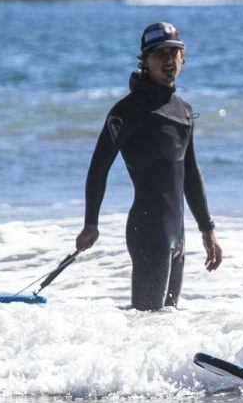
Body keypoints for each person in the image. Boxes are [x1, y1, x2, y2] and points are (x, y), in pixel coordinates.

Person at [77, 22, 224, 310]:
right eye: (160, 55)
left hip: (177, 234)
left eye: (174, 53)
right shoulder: (127, 111)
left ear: (183, 57)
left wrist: (207, 230)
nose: (169, 61)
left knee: (167, 319)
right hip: (148, 230)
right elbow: (98, 168)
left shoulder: (183, 110)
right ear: (145, 61)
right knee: (146, 320)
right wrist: (90, 223)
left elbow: (191, 175)